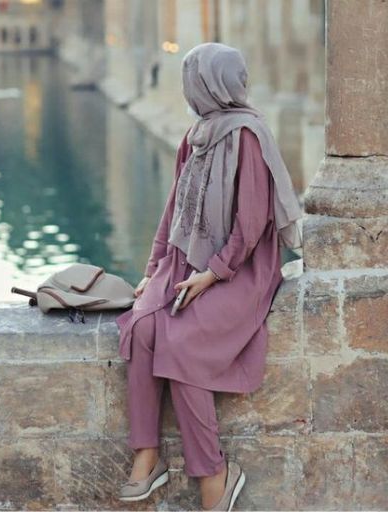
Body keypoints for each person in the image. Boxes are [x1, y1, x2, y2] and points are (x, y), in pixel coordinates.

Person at [115, 42, 303, 511]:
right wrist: (153, 270)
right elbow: (174, 212)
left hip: (240, 272)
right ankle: (147, 455)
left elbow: (253, 222)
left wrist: (211, 275)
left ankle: (214, 473)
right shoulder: (196, 135)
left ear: (204, 84)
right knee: (141, 326)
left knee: (182, 345)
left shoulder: (248, 135)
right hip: (185, 264)